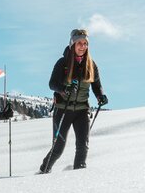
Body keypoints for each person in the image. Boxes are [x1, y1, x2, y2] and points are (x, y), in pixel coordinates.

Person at [39, 29, 108, 174]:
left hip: (82, 110)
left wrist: (101, 95)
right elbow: (52, 83)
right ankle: (43, 171)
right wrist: (64, 89)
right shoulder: (63, 63)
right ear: (72, 44)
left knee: (83, 146)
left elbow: (97, 84)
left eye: (85, 43)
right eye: (79, 43)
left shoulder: (91, 64)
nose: (82, 46)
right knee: (58, 148)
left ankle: (78, 178)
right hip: (63, 110)